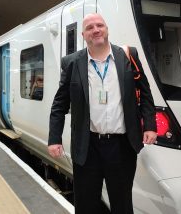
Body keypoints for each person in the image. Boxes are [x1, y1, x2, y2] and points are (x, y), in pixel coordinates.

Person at [48, 13, 157, 214]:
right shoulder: (71, 63)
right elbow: (59, 104)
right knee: (86, 204)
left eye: (100, 25)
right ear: (83, 35)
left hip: (122, 146)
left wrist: (149, 125)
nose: (96, 30)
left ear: (107, 29)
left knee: (122, 204)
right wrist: (54, 139)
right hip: (87, 146)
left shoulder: (128, 55)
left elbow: (146, 93)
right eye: (90, 28)